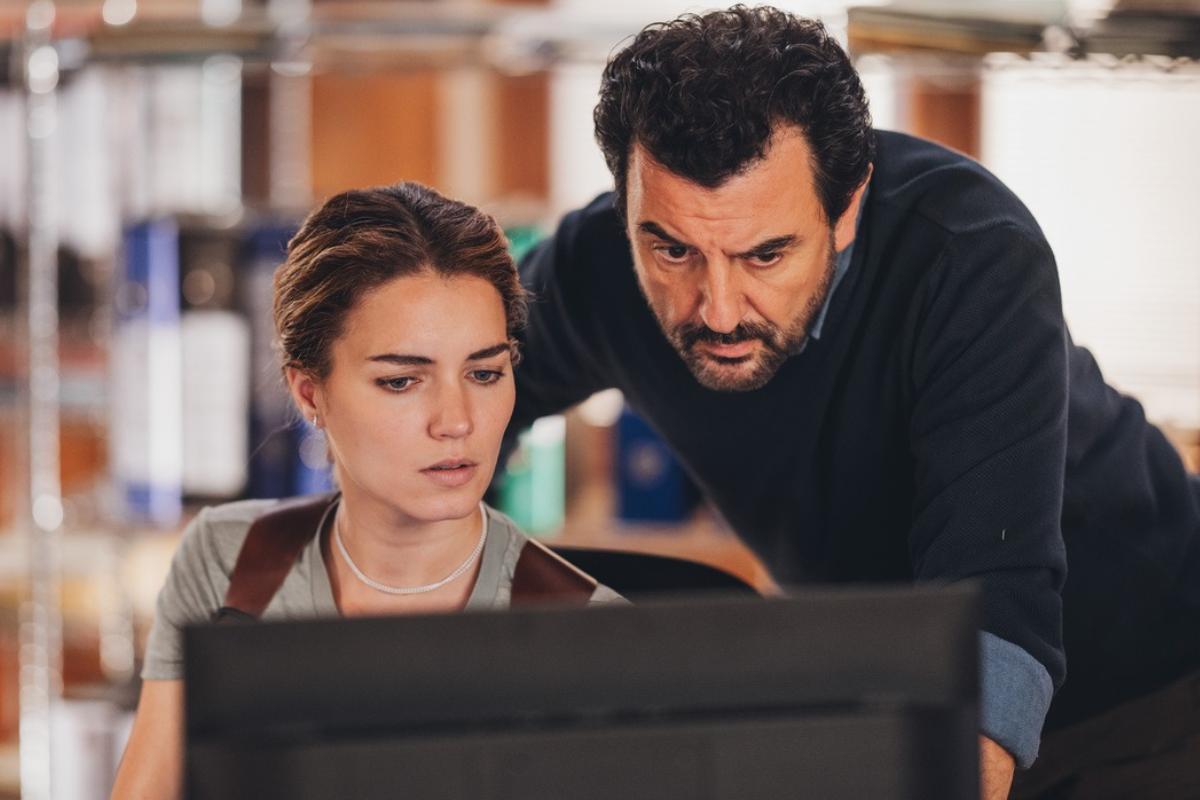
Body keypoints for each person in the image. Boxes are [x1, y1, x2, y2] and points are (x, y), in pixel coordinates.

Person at [509, 6, 1200, 799]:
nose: (719, 308)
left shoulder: (967, 252)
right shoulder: (597, 263)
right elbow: (469, 394)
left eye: (766, 254)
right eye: (671, 250)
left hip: (1149, 676)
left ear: (846, 210)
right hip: (890, 686)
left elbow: (994, 606)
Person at [111, 182, 619, 799]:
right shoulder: (231, 563)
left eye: (485, 373)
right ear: (310, 395)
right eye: (403, 381)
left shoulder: (596, 635)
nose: (456, 420)